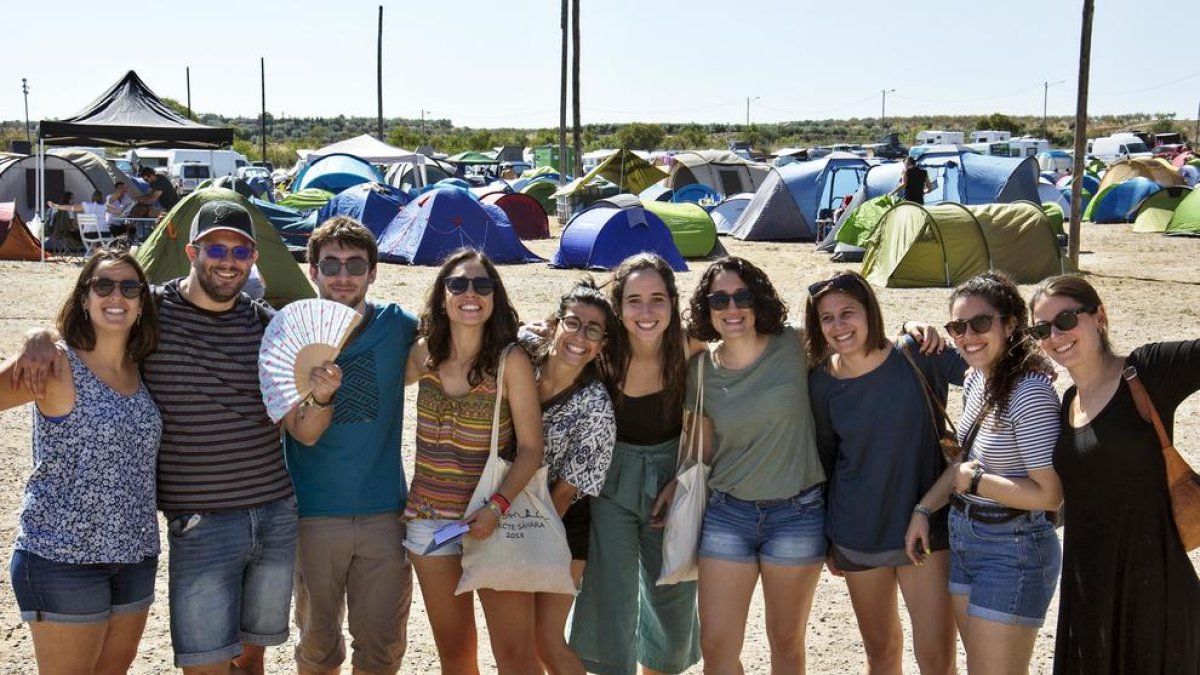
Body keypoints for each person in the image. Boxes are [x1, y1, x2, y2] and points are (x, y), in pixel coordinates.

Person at [15, 199, 296, 675]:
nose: (227, 261)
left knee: (248, 660)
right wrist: (38, 333)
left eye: (239, 251)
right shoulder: (144, 319)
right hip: (133, 537)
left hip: (194, 536)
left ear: (254, 259)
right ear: (191, 251)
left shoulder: (261, 325)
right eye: (215, 249)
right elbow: (89, 327)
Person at [1029, 275, 1200, 674]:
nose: (1056, 335)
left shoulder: (1148, 371)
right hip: (1088, 592)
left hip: (1155, 593)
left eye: (1067, 319)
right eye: (1042, 329)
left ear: (1099, 317)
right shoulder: (1066, 402)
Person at [4, 249, 160, 673]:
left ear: (142, 302)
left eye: (130, 287)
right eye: (103, 285)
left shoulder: (143, 367)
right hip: (61, 559)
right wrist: (38, 335)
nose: (117, 295)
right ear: (85, 298)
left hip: (134, 556)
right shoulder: (54, 363)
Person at [670, 256, 827, 673]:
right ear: (707, 308)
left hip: (798, 513)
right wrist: (676, 487)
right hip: (728, 514)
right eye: (718, 300)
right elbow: (702, 450)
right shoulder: (700, 370)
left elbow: (855, 342)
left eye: (742, 296)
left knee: (786, 640)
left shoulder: (796, 346)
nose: (731, 308)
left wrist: (908, 332)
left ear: (758, 300)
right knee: (717, 645)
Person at [280, 216, 418, 675]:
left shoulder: (397, 326)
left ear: (373, 272)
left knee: (381, 647)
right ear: (312, 271)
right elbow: (304, 432)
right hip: (313, 513)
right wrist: (320, 395)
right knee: (318, 646)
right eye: (331, 264)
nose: (343, 275)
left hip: (384, 512)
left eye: (355, 264)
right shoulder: (289, 331)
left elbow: (460, 344)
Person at [805, 270, 961, 675]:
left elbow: (988, 365)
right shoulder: (821, 382)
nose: (839, 326)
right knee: (881, 654)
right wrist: (827, 537)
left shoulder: (917, 353)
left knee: (937, 659)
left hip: (925, 529)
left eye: (848, 312)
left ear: (870, 311)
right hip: (857, 532)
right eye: (827, 317)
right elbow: (826, 457)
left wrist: (1034, 365)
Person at [402, 248, 545, 675]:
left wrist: (496, 508)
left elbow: (531, 448)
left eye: (482, 286)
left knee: (517, 656)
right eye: (458, 284)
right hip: (429, 521)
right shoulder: (422, 355)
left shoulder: (510, 360)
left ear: (495, 297)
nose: (470, 294)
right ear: (442, 294)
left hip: (493, 521)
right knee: (455, 654)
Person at [916, 272, 1063, 675]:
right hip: (967, 537)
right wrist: (923, 511)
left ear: (1010, 324)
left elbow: (1049, 495)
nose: (968, 335)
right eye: (957, 326)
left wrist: (978, 482)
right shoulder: (978, 375)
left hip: (1013, 547)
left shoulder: (1029, 390)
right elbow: (965, 458)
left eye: (981, 323)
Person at [569, 253, 702, 675]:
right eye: (634, 300)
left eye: (657, 299)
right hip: (610, 476)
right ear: (619, 306)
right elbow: (554, 345)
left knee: (674, 589)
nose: (646, 312)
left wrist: (683, 477)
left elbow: (753, 346)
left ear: (673, 302)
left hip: (672, 471)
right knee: (610, 591)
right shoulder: (603, 351)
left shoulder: (690, 347)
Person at [523, 279, 619, 674]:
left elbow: (564, 495)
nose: (580, 336)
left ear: (602, 344)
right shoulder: (522, 365)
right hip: (507, 509)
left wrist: (521, 537)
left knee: (545, 641)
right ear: (555, 324)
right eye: (573, 323)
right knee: (519, 640)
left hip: (560, 527)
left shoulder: (596, 406)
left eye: (593, 330)